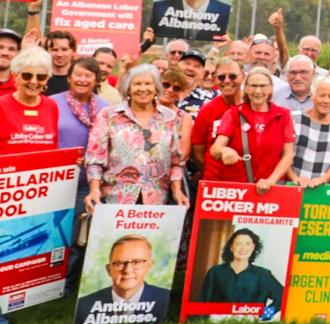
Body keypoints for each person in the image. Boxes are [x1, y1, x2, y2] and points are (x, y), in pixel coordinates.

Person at [84, 64, 187, 208]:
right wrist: (94, 190)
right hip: (115, 199)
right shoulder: (109, 115)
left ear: (156, 88)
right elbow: (94, 159)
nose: (143, 89)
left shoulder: (170, 118)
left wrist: (177, 191)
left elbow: (177, 161)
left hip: (156, 202)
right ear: (128, 89)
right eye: (137, 84)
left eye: (148, 84)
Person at [209, 67, 296, 191]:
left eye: (263, 86)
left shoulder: (283, 115)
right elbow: (215, 148)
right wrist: (224, 151)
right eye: (253, 86)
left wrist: (271, 181)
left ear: (271, 88)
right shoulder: (233, 114)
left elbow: (288, 154)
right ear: (246, 88)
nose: (258, 91)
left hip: (272, 188)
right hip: (238, 188)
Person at [73, 234, 170, 324]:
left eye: (137, 262)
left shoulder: (167, 300)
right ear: (109, 269)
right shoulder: (83, 306)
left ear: (149, 266)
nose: (127, 270)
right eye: (120, 263)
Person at [53, 57, 111, 211]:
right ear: (69, 77)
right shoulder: (52, 103)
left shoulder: (106, 109)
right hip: (56, 179)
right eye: (78, 74)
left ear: (97, 80)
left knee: (80, 229)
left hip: (89, 182)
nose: (82, 80)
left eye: (88, 75)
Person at [197, 228, 284, 309]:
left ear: (253, 247)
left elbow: (283, 297)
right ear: (231, 247)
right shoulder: (215, 272)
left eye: (248, 244)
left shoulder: (263, 274)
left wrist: (265, 315)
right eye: (238, 244)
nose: (243, 248)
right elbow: (203, 303)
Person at [288, 76, 330, 188]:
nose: (326, 101)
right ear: (313, 96)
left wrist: (321, 180)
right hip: (294, 186)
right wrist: (295, 179)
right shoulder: (294, 119)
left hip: (322, 190)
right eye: (322, 95)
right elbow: (284, 155)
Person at [191, 58, 243, 181]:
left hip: (247, 181)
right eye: (221, 77)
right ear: (214, 79)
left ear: (243, 77)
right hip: (215, 181)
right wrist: (213, 171)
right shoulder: (207, 110)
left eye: (232, 76)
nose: (226, 81)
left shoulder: (254, 106)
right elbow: (198, 152)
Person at [0, 47, 59, 153]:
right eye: (27, 75)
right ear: (15, 75)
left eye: (41, 77)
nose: (33, 81)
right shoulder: (1, 105)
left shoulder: (51, 106)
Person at [274, 55, 330, 122]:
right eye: (293, 73)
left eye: (303, 72)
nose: (298, 78)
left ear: (313, 74)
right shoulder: (275, 97)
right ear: (287, 75)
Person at [43, 29, 77, 95]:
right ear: (46, 52)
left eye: (64, 49)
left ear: (73, 51)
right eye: (54, 50)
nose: (59, 54)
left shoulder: (81, 80)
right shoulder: (39, 78)